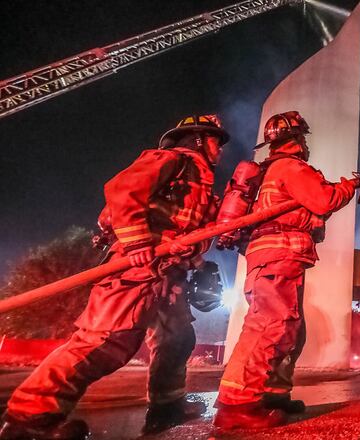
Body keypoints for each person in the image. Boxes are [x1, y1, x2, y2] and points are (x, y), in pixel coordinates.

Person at [0, 115, 230, 440]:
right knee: (105, 343)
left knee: (177, 338)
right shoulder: (169, 159)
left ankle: (166, 408)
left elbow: (186, 229)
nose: (219, 149)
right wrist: (136, 240)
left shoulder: (200, 182)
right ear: (196, 139)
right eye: (215, 140)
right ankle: (28, 421)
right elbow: (122, 188)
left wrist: (194, 259)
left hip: (168, 273)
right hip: (137, 267)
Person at [212, 111, 356, 430]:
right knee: (269, 325)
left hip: (276, 255)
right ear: (295, 141)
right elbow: (325, 199)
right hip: (279, 253)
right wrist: (350, 186)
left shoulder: (265, 172)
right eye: (303, 138)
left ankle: (273, 393)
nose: (305, 145)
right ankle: (235, 406)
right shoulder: (290, 167)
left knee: (289, 329)